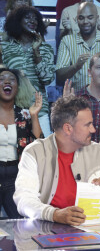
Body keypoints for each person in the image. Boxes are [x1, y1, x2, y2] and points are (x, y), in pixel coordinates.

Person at [13, 95, 100, 225]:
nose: (93, 129)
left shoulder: (98, 152)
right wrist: (54, 214)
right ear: (68, 128)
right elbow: (23, 200)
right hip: (45, 231)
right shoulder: (34, 152)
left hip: (86, 234)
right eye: (88, 125)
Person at [1, 6, 55, 137]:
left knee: (42, 153)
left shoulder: (46, 48)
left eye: (35, 18)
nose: (33, 21)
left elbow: (47, 79)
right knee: (11, 155)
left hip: (39, 110)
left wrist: (37, 52)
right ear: (17, 21)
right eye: (28, 17)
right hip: (12, 110)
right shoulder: (5, 47)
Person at [0, 68, 43, 218]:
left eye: (12, 79)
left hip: (15, 177)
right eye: (2, 79)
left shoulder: (24, 114)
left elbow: (39, 145)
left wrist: (34, 116)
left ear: (17, 87)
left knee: (20, 224)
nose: (7, 81)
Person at [56, 2, 100, 90]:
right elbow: (59, 75)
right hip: (77, 100)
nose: (85, 22)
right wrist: (76, 66)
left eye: (90, 17)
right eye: (81, 18)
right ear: (76, 19)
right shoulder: (67, 41)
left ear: (97, 19)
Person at [64, 52, 100, 142]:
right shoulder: (76, 98)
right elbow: (64, 135)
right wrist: (65, 110)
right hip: (80, 153)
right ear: (89, 72)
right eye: (99, 67)